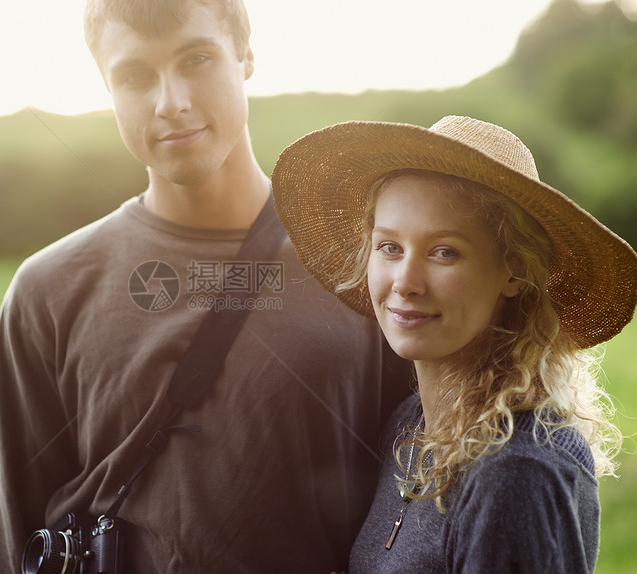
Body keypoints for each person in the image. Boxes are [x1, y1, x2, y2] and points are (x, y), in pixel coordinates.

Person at [0, 1, 411, 572]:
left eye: (197, 58)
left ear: (246, 56)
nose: (171, 102)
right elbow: (13, 541)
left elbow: (423, 511)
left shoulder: (369, 270)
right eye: (135, 76)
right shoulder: (47, 290)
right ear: (104, 86)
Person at [272, 115, 637, 573]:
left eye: (444, 251)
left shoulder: (516, 471)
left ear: (514, 270)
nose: (405, 282)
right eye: (389, 247)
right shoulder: (413, 423)